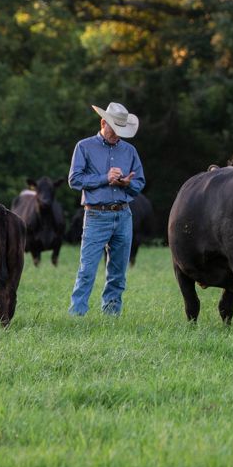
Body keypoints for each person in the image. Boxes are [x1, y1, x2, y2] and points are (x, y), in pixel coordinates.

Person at [67, 101, 146, 316]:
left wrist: (127, 183)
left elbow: (140, 182)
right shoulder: (84, 147)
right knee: (87, 270)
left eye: (122, 131)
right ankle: (77, 315)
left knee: (118, 273)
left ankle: (111, 316)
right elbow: (74, 180)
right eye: (115, 130)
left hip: (123, 215)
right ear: (103, 122)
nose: (118, 135)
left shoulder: (129, 151)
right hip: (95, 215)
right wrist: (105, 178)